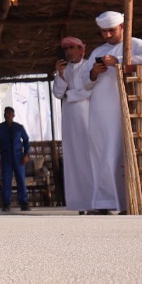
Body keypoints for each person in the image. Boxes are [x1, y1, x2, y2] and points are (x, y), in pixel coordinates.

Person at [81, 10, 142, 214]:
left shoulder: (134, 44)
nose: (107, 36)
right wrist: (93, 73)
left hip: (125, 108)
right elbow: (84, 83)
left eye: (111, 31)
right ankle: (104, 203)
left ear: (122, 27)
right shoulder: (98, 50)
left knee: (120, 154)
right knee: (102, 154)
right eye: (103, 32)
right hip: (100, 110)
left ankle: (127, 202)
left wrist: (120, 62)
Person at [51, 35, 94, 213]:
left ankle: (97, 201)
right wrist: (60, 75)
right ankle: (80, 203)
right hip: (70, 119)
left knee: (91, 157)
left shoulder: (90, 66)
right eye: (66, 49)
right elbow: (58, 93)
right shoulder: (63, 70)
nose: (69, 52)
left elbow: (89, 90)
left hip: (89, 117)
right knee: (74, 159)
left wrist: (71, 95)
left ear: (81, 49)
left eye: (72, 48)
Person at [0, 106, 31, 212]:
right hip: (6, 158)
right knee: (6, 181)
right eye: (6, 113)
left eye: (10, 113)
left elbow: (27, 141)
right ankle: (6, 204)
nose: (7, 115)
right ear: (4, 115)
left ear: (13, 115)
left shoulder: (19, 127)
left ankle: (24, 203)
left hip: (19, 158)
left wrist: (26, 155)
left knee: (21, 181)